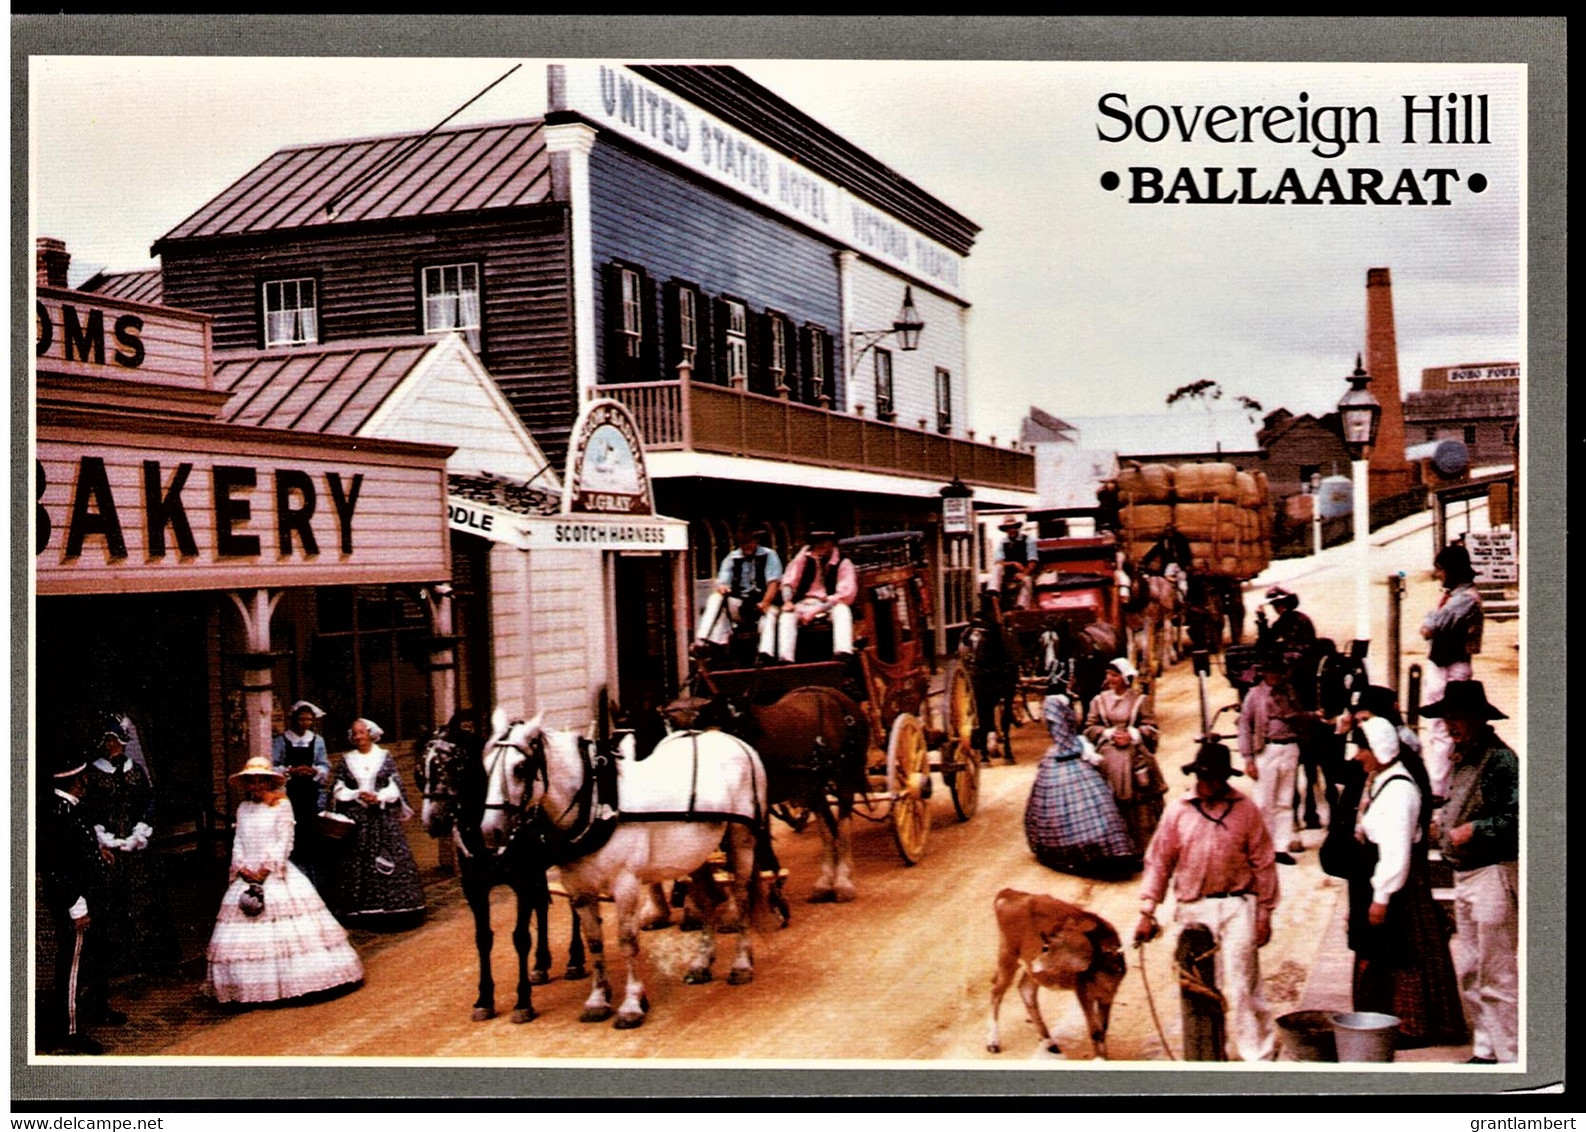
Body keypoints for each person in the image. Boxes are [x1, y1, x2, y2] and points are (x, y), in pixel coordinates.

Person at [1134, 742, 1280, 1062]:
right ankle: (1208, 1056)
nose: (1207, 784)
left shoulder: (1245, 809)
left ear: (1225, 779)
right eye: (1203, 777)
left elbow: (1264, 862)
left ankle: (1257, 1057)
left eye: (1214, 778)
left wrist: (1265, 913)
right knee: (1198, 988)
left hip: (1237, 905)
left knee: (1241, 984)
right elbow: (1159, 862)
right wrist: (1147, 910)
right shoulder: (1178, 811)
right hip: (1194, 908)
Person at [1345, 715, 1467, 1049]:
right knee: (1388, 951)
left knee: (1404, 953)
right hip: (1384, 881)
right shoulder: (1383, 779)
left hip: (1398, 888)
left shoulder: (1399, 790)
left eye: (1362, 749)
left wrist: (1381, 897)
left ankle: (1414, 1026)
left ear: (1380, 750)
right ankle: (1390, 1018)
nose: (1357, 756)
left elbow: (1396, 850)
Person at [205, 757, 364, 1005]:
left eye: (261, 780)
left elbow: (284, 840)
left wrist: (267, 869)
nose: (256, 785)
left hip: (274, 872)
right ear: (246, 784)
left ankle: (296, 983)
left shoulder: (281, 805)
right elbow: (238, 841)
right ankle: (247, 987)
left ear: (269, 781)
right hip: (247, 873)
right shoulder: (243, 808)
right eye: (251, 781)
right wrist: (242, 868)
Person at [1423, 680, 1519, 1064]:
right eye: (1447, 717)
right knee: (1470, 968)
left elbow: (1517, 815)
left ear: (1479, 719)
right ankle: (1486, 1047)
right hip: (1465, 874)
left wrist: (1476, 829)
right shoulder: (1462, 756)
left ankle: (1511, 1058)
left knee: (1497, 972)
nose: (1450, 725)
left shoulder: (1500, 760)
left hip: (1493, 872)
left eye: (1458, 717)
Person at [80, 712, 178, 974]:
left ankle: (145, 954)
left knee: (143, 897)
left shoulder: (134, 769)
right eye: (108, 740)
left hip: (137, 846)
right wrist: (102, 836)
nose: (112, 745)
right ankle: (117, 958)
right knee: (112, 900)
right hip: (108, 846)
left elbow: (149, 801)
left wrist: (141, 830)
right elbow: (88, 808)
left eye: (116, 740)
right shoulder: (93, 772)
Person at [38, 752, 116, 1054]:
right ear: (76, 780)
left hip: (86, 895)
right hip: (74, 902)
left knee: (87, 961)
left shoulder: (71, 808)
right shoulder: (60, 812)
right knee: (71, 967)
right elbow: (57, 866)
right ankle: (68, 1031)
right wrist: (76, 905)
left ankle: (90, 1010)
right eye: (83, 778)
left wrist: (99, 854)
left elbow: (78, 850)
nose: (87, 783)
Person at [1023, 692, 1137, 877]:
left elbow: (1062, 735)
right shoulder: (1058, 705)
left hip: (1066, 755)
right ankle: (1106, 850)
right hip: (1069, 755)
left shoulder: (1054, 705)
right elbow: (1065, 735)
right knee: (1094, 804)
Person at [330, 718, 426, 925]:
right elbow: (338, 787)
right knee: (356, 861)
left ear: (370, 733)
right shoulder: (347, 759)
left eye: (361, 733)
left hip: (382, 817)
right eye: (354, 733)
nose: (357, 737)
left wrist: (379, 797)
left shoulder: (384, 756)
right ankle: (360, 910)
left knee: (388, 855)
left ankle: (395, 909)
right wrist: (356, 794)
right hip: (358, 818)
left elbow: (395, 785)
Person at [1420, 543, 1485, 803]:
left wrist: (1429, 619)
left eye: (1441, 570)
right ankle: (1438, 784)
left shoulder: (1465, 599)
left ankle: (1439, 788)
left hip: (1452, 666)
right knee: (1437, 727)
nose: (1439, 575)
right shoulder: (1456, 596)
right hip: (1444, 664)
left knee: (1447, 727)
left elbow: (1431, 627)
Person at [1083, 657, 1166, 854]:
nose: (1110, 679)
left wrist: (1132, 735)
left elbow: (1151, 727)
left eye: (1115, 675)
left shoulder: (1139, 700)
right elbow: (1090, 728)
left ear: (1125, 677)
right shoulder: (1099, 700)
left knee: (1139, 784)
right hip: (1108, 750)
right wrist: (1109, 733)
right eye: (1108, 675)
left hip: (1134, 752)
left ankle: (1142, 847)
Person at [1237, 655, 1309, 864]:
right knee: (1263, 802)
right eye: (1271, 672)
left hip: (1289, 747)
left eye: (1279, 672)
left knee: (1285, 801)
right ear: (1264, 673)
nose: (1275, 676)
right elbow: (1244, 726)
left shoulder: (1289, 692)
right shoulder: (1255, 695)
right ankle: (1262, 848)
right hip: (1266, 749)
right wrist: (1248, 758)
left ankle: (1280, 846)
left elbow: (1299, 716)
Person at [695, 524, 781, 662]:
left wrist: (764, 603)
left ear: (756, 541)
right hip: (740, 604)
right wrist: (723, 587)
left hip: (762, 602)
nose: (745, 546)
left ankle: (765, 654)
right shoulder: (732, 558)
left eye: (748, 542)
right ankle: (705, 640)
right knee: (716, 598)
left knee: (769, 616)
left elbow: (773, 583)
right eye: (742, 543)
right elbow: (723, 581)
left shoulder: (769, 555)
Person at [272, 700, 332, 892]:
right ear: (294, 719)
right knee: (292, 833)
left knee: (311, 834)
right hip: (290, 793)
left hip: (310, 793)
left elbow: (324, 765)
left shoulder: (317, 740)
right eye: (301, 719)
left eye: (308, 719)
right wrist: (291, 770)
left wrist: (314, 770)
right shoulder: (282, 740)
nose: (305, 723)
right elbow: (274, 765)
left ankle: (314, 881)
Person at [777, 530, 857, 663]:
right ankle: (785, 659)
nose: (820, 545)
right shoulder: (803, 558)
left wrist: (817, 610)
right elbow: (788, 582)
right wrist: (787, 600)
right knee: (786, 616)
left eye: (824, 541)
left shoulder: (843, 562)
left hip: (829, 604)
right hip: (804, 603)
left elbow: (845, 594)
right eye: (817, 542)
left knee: (843, 611)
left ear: (832, 543)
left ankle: (842, 653)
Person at [992, 517, 1036, 609]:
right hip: (1008, 573)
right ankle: (993, 590)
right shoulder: (1003, 542)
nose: (1011, 530)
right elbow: (999, 561)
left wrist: (1024, 574)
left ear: (1017, 528)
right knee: (997, 567)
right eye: (1009, 528)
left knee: (1027, 580)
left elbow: (1032, 562)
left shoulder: (1028, 540)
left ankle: (1021, 605)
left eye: (1013, 527)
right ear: (1006, 530)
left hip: (1023, 571)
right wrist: (1013, 563)